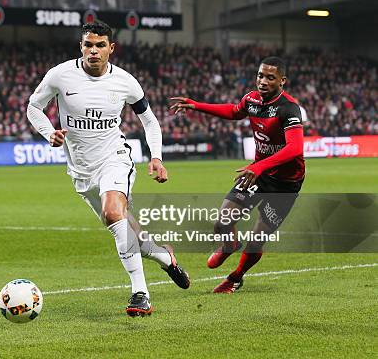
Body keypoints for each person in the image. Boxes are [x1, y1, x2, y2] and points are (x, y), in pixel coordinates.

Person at [27, 21, 190, 317]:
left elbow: (150, 121)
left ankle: (140, 293)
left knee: (114, 212)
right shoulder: (59, 75)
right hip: (81, 172)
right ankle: (164, 256)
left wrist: (156, 157)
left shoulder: (126, 81)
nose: (93, 50)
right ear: (81, 46)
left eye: (100, 45)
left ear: (111, 49)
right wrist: (47, 132)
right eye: (88, 44)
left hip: (115, 159)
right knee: (128, 234)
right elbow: (33, 107)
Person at [170, 56, 305, 293]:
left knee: (257, 239)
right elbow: (234, 111)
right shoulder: (251, 100)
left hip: (285, 183)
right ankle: (229, 244)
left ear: (282, 81)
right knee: (223, 220)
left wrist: (259, 166)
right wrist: (197, 105)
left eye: (270, 78)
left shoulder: (289, 108)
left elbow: (295, 149)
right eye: (260, 75)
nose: (262, 81)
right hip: (258, 173)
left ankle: (235, 277)